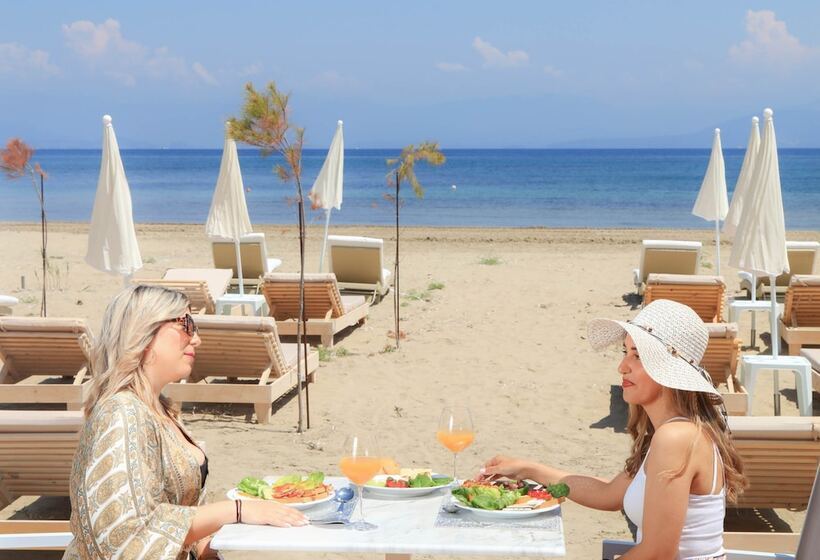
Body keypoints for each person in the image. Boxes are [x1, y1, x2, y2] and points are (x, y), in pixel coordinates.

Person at [481, 299, 747, 560]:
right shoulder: (672, 433)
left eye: (638, 355)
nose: (622, 367)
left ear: (668, 369)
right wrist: (528, 469)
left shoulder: (676, 438)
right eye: (625, 352)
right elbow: (608, 494)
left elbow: (659, 553)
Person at [63, 285, 307, 560]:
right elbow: (122, 536)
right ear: (143, 331)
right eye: (186, 325)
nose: (196, 339)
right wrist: (237, 510)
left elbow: (174, 516)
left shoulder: (160, 409)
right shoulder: (120, 413)